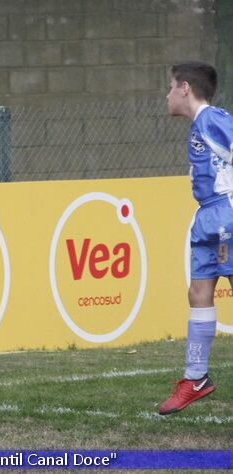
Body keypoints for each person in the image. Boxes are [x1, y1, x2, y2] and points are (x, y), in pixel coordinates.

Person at [159, 61, 227, 415]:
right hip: (207, 218)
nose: (167, 95)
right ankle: (196, 378)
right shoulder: (201, 125)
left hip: (225, 216)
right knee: (198, 292)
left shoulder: (212, 119)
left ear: (185, 88)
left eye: (170, 87)